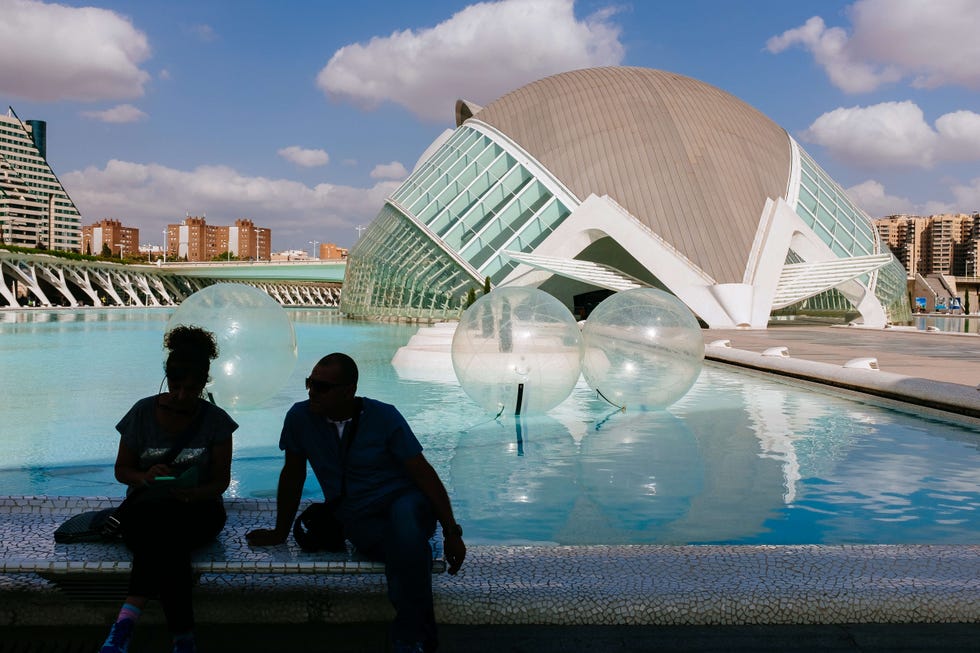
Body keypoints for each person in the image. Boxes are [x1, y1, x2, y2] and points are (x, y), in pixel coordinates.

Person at [246, 353, 466, 653]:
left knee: (406, 528)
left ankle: (409, 638)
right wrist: (279, 532)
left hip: (405, 500)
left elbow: (423, 473)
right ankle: (418, 639)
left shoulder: (384, 416)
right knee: (407, 547)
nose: (312, 392)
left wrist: (452, 531)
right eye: (310, 383)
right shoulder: (300, 418)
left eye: (323, 387)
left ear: (349, 390)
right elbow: (293, 475)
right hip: (358, 515)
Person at [100, 326, 237, 653]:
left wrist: (194, 493)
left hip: (198, 508)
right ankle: (182, 638)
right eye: (175, 386)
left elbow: (220, 482)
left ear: (204, 383)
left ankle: (125, 624)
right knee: (169, 539)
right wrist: (145, 477)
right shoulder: (143, 412)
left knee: (162, 534)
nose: (180, 396)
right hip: (148, 508)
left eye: (190, 389)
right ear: (166, 379)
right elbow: (122, 471)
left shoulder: (217, 421)